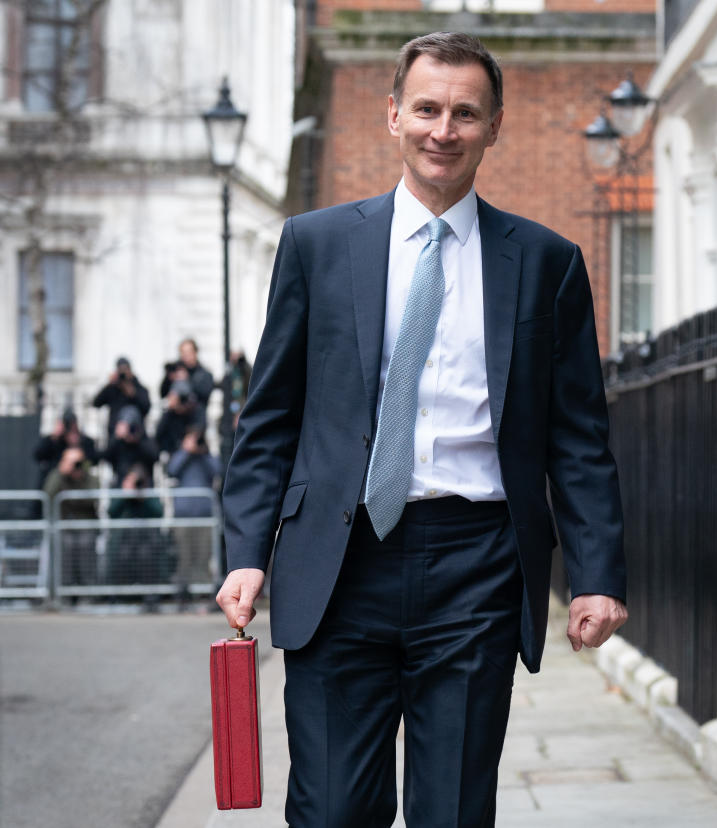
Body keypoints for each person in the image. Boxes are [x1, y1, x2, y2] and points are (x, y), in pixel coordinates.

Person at [216, 32, 627, 827]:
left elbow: (578, 437)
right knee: (333, 809)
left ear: (495, 126)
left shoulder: (547, 262)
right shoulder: (317, 244)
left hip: (475, 565)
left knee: (453, 812)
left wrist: (599, 571)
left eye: (466, 113)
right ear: (395, 115)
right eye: (429, 109)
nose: (445, 129)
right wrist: (243, 554)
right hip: (339, 564)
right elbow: (271, 415)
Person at [167, 425, 219, 598]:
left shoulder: (206, 458)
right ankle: (183, 594)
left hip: (205, 516)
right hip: (184, 516)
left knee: (203, 556)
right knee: (184, 556)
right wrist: (186, 451)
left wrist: (204, 452)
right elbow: (172, 470)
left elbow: (218, 471)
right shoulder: (181, 457)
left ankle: (202, 593)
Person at [42, 446, 99, 588]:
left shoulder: (90, 477)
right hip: (63, 525)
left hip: (85, 525)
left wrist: (80, 476)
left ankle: (87, 593)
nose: (75, 466)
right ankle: (65, 593)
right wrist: (61, 473)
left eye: (78, 462)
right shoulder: (58, 476)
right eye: (72, 462)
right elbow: (48, 494)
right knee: (64, 553)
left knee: (85, 553)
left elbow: (91, 497)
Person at [104, 465, 167, 593]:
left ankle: (149, 595)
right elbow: (111, 512)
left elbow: (159, 512)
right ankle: (121, 595)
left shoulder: (148, 494)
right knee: (122, 557)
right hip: (123, 541)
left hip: (146, 541)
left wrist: (143, 496)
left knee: (147, 557)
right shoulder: (121, 494)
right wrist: (125, 494)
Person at [92, 357, 151, 445]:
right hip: (115, 435)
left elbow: (146, 408)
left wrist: (133, 393)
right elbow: (96, 403)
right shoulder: (112, 389)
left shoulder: (139, 389)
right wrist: (109, 383)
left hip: (136, 437)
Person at [33, 409, 100, 485]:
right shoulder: (56, 441)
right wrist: (54, 437)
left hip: (81, 483)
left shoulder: (86, 442)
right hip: (60, 483)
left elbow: (94, 460)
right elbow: (38, 455)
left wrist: (79, 451)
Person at [102, 405, 159, 482]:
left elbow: (155, 456)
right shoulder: (118, 443)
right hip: (121, 485)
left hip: (144, 487)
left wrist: (137, 440)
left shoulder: (145, 441)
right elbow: (105, 456)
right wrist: (116, 437)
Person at [154, 379, 205, 455]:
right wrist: (169, 411)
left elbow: (199, 429)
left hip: (194, 454)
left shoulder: (196, 410)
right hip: (173, 453)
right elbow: (158, 435)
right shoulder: (170, 414)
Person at [159, 338, 214, 406]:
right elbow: (163, 393)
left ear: (195, 352)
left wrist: (187, 379)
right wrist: (169, 378)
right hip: (174, 414)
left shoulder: (204, 374)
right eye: (183, 352)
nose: (185, 355)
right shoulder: (175, 370)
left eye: (188, 352)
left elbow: (204, 395)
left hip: (195, 414)